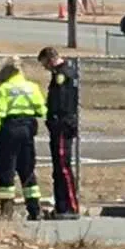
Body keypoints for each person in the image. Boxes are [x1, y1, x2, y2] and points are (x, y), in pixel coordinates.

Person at [0, 56, 46, 221]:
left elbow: (0, 112)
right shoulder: (32, 87)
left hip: (10, 129)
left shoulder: (5, 88)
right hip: (28, 129)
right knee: (27, 169)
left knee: (6, 169)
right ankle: (35, 210)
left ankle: (7, 211)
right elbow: (41, 110)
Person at [37, 46, 80, 219]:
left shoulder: (63, 75)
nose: (45, 68)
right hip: (59, 125)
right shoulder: (63, 72)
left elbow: (61, 102)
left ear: (50, 59)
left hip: (62, 125)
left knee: (63, 167)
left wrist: (55, 119)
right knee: (58, 169)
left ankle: (71, 207)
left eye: (45, 64)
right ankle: (61, 206)